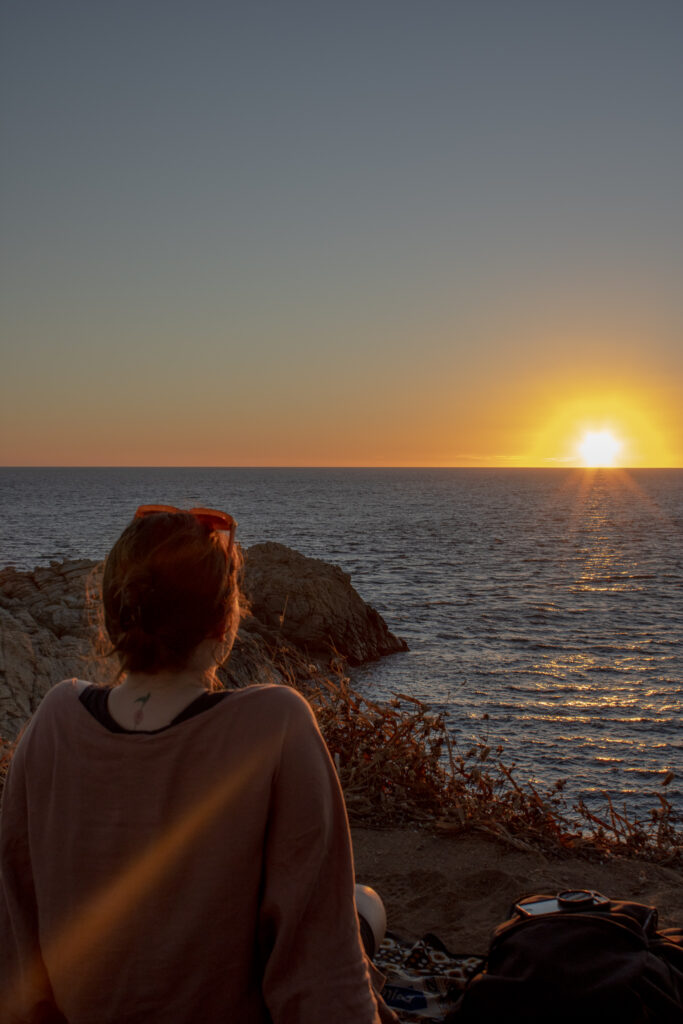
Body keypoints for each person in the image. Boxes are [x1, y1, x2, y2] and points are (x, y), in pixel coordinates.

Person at [0, 505, 397, 1023]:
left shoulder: (54, 718)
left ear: (112, 614)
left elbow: (15, 925)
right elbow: (323, 972)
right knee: (365, 905)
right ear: (224, 621)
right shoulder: (275, 724)